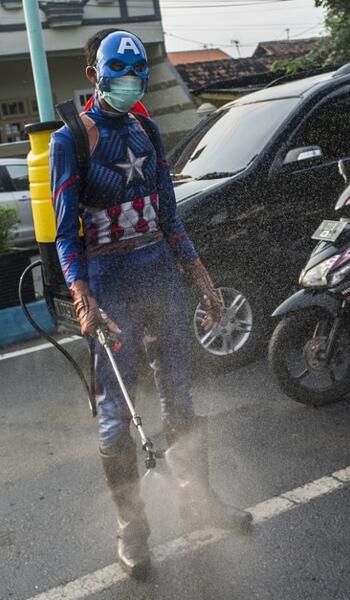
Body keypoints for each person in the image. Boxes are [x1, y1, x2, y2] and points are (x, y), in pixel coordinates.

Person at [50, 29, 251, 579]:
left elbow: (168, 216)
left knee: (179, 397)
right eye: (118, 77)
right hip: (109, 287)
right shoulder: (72, 140)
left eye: (136, 76)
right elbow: (67, 236)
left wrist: (202, 280)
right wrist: (82, 295)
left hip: (158, 274)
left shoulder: (147, 130)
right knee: (116, 416)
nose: (128, 86)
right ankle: (132, 531)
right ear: (95, 76)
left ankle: (198, 504)